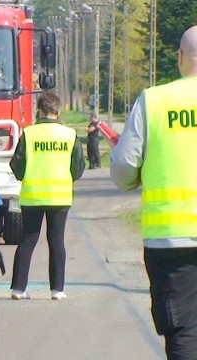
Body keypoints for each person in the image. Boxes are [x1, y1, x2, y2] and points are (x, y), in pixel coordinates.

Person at [110, 25, 197, 359]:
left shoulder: (154, 101)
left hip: (170, 241)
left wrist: (135, 180)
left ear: (179, 57)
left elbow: (122, 170)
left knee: (183, 330)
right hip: (169, 242)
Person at [9, 92, 85, 300]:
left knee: (28, 240)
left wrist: (24, 176)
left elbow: (17, 164)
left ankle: (18, 289)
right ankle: (57, 290)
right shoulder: (70, 135)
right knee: (56, 241)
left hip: (32, 196)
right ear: (58, 112)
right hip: (59, 197)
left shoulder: (30, 134)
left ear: (39, 111)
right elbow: (78, 167)